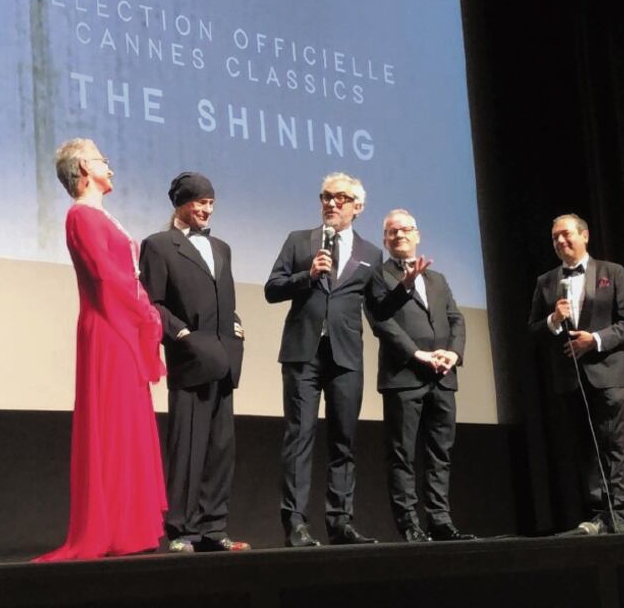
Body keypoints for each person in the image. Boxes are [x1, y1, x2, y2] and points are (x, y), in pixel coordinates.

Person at [36, 138, 167, 561]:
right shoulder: (80, 215)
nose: (109, 165)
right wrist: (144, 311)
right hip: (108, 328)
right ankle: (110, 526)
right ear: (82, 169)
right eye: (101, 160)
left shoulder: (99, 215)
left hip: (121, 324)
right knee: (112, 421)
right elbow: (107, 277)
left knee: (127, 419)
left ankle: (130, 526)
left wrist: (144, 311)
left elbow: (121, 276)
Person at [265, 172, 382, 547]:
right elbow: (271, 289)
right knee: (299, 437)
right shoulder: (299, 241)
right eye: (326, 196)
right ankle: (296, 523)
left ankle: (340, 522)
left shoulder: (371, 255)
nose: (332, 203)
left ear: (358, 207)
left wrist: (405, 290)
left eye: (342, 198)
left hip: (346, 356)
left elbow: (378, 308)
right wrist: (307, 274)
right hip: (303, 352)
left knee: (343, 441)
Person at [138, 172, 250, 553]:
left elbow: (226, 298)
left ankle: (213, 526)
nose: (206, 209)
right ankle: (181, 530)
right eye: (199, 202)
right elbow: (152, 301)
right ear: (181, 204)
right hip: (191, 358)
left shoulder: (222, 248)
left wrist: (236, 325)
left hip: (224, 357)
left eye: (210, 203)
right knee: (187, 446)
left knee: (221, 448)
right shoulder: (158, 245)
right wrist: (181, 334)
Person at [365, 210, 474, 542]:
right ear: (385, 239)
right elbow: (381, 322)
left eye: (405, 230)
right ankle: (409, 524)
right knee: (402, 454)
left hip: (442, 375)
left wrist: (453, 354)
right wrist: (418, 354)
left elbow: (455, 319)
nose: (399, 235)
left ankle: (440, 520)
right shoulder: (378, 276)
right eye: (392, 231)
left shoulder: (437, 279)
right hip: (404, 375)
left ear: (417, 235)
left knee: (439, 452)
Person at [528, 213, 624, 534]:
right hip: (570, 378)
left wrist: (596, 340)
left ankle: (617, 515)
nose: (560, 242)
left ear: (584, 235)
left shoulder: (612, 272)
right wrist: (552, 320)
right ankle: (597, 516)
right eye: (554, 238)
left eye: (566, 235)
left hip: (608, 374)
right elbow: (532, 332)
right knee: (585, 448)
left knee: (613, 445)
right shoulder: (546, 282)